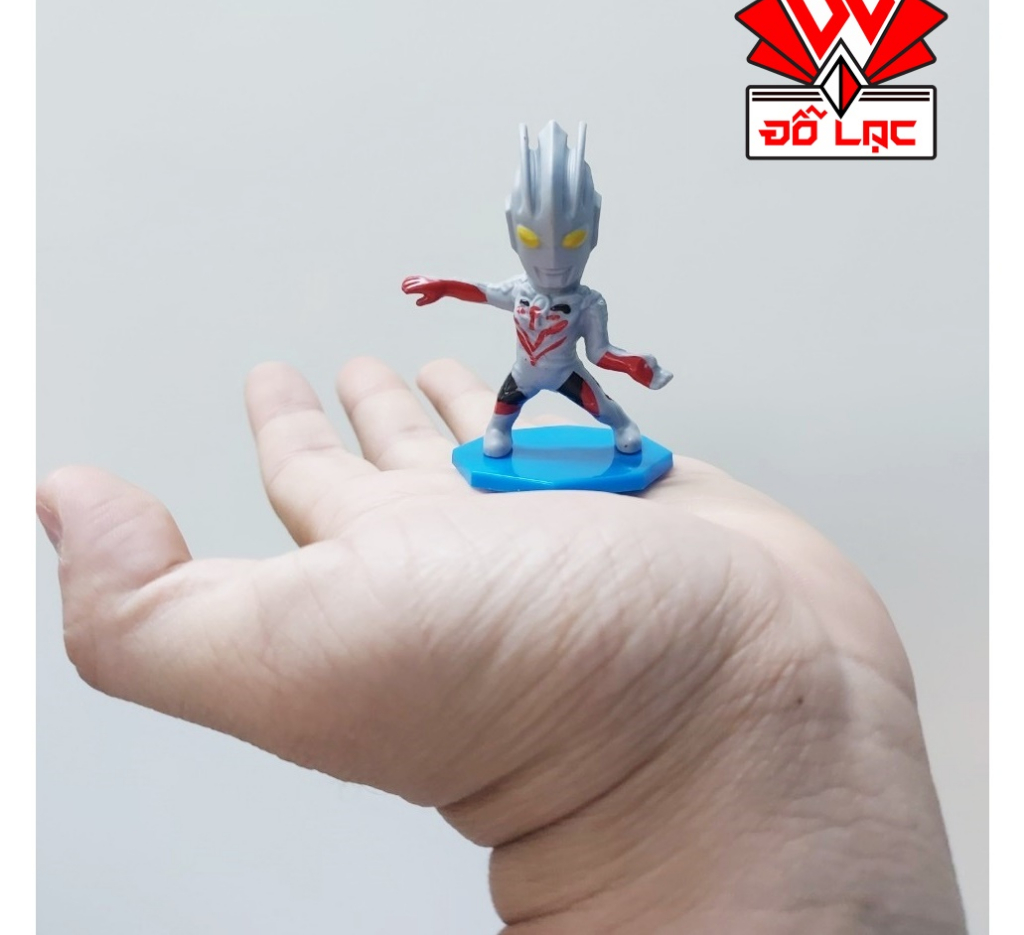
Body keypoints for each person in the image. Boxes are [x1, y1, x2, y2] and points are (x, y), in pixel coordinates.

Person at [37, 357, 967, 933]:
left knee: (597, 408)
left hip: (574, 387)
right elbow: (490, 296)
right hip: (531, 387)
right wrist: (707, 774)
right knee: (510, 409)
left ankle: (609, 428)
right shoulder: (527, 299)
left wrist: (717, 756)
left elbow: (598, 348)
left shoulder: (575, 303)